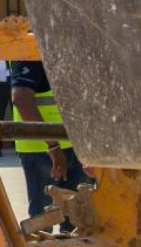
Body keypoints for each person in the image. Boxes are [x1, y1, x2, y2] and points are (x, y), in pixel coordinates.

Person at [10, 61, 87, 228]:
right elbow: (21, 99)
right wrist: (53, 147)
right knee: (43, 221)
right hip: (42, 151)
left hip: (73, 145)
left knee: (76, 219)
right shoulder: (29, 48)